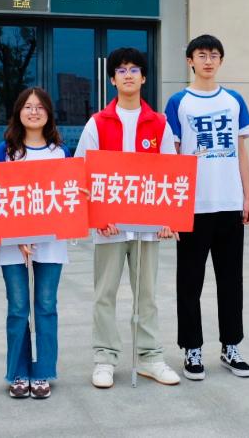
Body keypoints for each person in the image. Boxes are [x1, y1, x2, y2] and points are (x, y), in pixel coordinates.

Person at [73, 47, 181, 389]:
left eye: (135, 69)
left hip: (148, 227)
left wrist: (170, 219)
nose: (129, 75)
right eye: (122, 70)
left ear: (144, 77)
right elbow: (83, 174)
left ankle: (150, 357)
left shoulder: (158, 123)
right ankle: (104, 357)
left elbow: (171, 173)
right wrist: (97, 217)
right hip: (110, 227)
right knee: (104, 294)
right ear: (112, 79)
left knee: (146, 294)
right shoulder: (98, 123)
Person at [165, 34, 249, 381]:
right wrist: (174, 206)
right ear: (190, 61)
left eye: (214, 55)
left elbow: (241, 151)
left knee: (231, 280)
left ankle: (231, 346)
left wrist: (248, 196)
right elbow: (173, 156)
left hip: (229, 203)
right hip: (193, 206)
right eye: (201, 55)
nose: (208, 61)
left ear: (221, 61)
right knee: (189, 282)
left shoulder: (234, 101)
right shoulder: (178, 102)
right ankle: (192, 349)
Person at [0, 87, 70, 400]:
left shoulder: (59, 152)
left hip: (50, 243)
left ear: (49, 113)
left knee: (46, 306)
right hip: (12, 244)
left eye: (40, 107)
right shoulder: (6, 151)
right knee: (18, 308)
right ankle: (18, 372)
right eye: (28, 106)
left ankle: (43, 371)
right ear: (18, 112)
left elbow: (66, 197)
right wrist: (18, 234)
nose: (34, 112)